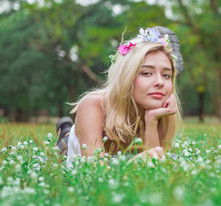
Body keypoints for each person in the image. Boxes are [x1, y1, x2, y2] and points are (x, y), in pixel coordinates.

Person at [56, 26, 183, 161]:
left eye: (166, 75)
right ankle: (66, 129)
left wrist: (152, 120)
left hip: (116, 168)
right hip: (70, 148)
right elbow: (95, 171)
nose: (160, 82)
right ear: (126, 76)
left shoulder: (163, 112)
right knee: (64, 142)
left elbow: (156, 170)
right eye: (147, 73)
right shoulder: (93, 105)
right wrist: (135, 164)